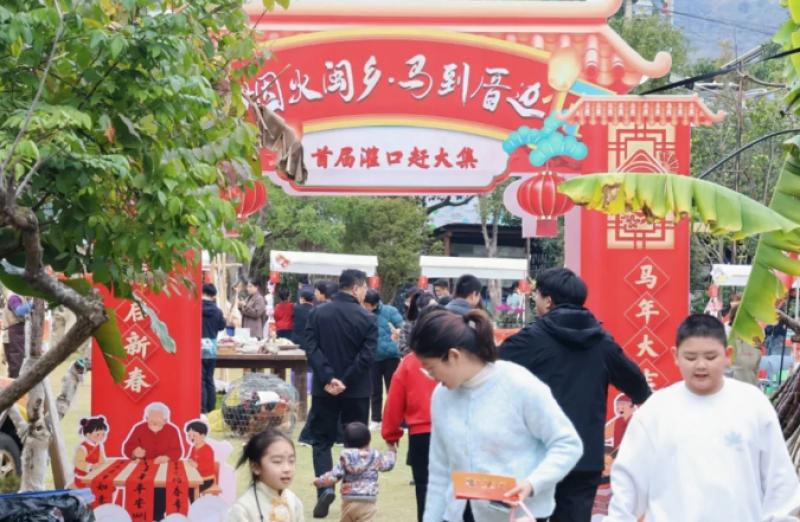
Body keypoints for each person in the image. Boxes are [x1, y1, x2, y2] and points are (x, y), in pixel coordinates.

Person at [605, 314, 800, 522]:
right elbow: (627, 488)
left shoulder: (753, 404)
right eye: (690, 357)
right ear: (675, 356)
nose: (700, 365)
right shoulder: (655, 411)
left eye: (710, 357)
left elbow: (780, 484)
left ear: (728, 355)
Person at [499, 267, 650, 522]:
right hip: (585, 457)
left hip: (539, 455)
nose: (535, 300)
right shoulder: (602, 342)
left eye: (536, 295)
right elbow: (638, 387)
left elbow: (491, 372)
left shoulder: (530, 340)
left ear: (548, 300)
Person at [414, 309, 583, 522]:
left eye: (431, 369)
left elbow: (567, 444)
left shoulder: (519, 384)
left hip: (517, 515)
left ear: (454, 356)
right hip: (459, 515)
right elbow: (439, 471)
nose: (431, 377)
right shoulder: (442, 396)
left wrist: (532, 483)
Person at [303, 269, 378, 518]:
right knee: (355, 444)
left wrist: (328, 377)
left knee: (321, 441)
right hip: (356, 390)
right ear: (356, 288)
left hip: (325, 389)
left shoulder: (317, 313)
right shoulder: (368, 318)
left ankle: (325, 489)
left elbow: (311, 348)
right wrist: (345, 380)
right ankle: (354, 495)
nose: (365, 292)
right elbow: (367, 356)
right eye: (364, 287)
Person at [382, 323, 439, 522]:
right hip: (452, 433)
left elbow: (394, 401)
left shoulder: (409, 362)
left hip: (420, 434)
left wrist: (391, 435)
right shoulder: (455, 358)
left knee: (424, 491)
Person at [313, 422, 396, 522]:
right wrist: (391, 451)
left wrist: (321, 481)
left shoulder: (346, 457)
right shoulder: (374, 456)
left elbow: (335, 475)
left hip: (349, 499)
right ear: (368, 441)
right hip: (368, 499)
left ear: (346, 443)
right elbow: (388, 464)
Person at [226, 428, 304, 522]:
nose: (287, 469)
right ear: (256, 467)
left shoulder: (294, 502)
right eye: (277, 461)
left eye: (291, 461)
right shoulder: (243, 509)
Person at [362, 289, 404, 430]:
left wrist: (398, 332)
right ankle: (376, 419)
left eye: (367, 304)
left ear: (374, 303)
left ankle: (396, 420)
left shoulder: (390, 311)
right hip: (373, 357)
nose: (365, 307)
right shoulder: (363, 313)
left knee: (393, 390)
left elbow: (402, 326)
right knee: (375, 391)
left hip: (391, 357)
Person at [201, 283, 227, 414]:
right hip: (211, 347)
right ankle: (211, 408)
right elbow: (222, 326)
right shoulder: (217, 311)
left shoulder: (196, 309)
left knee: (200, 380)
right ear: (213, 296)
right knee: (209, 378)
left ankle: (202, 409)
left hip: (197, 347)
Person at [72, 416, 108, 488]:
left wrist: (103, 465)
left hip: (94, 473)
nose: (101, 436)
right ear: (88, 434)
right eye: (98, 434)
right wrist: (91, 466)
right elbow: (78, 462)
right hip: (83, 477)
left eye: (103, 434)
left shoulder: (99, 445)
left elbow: (102, 459)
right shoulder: (82, 448)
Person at [2, 289, 31, 378]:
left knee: (19, 363)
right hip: (13, 331)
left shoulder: (22, 297)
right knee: (16, 364)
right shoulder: (14, 296)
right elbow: (19, 311)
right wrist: (32, 305)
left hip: (17, 331)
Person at [397, 291, 436, 356]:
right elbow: (402, 347)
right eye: (431, 307)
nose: (436, 309)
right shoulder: (409, 325)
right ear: (420, 309)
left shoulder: (441, 323)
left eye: (436, 305)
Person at [185, 420, 216, 496]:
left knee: (190, 489)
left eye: (194, 436)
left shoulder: (208, 450)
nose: (191, 438)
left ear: (202, 436)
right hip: (195, 477)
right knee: (182, 485)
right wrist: (190, 461)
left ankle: (195, 503)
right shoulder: (193, 448)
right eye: (189, 436)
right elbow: (190, 459)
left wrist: (196, 465)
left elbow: (207, 466)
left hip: (206, 479)